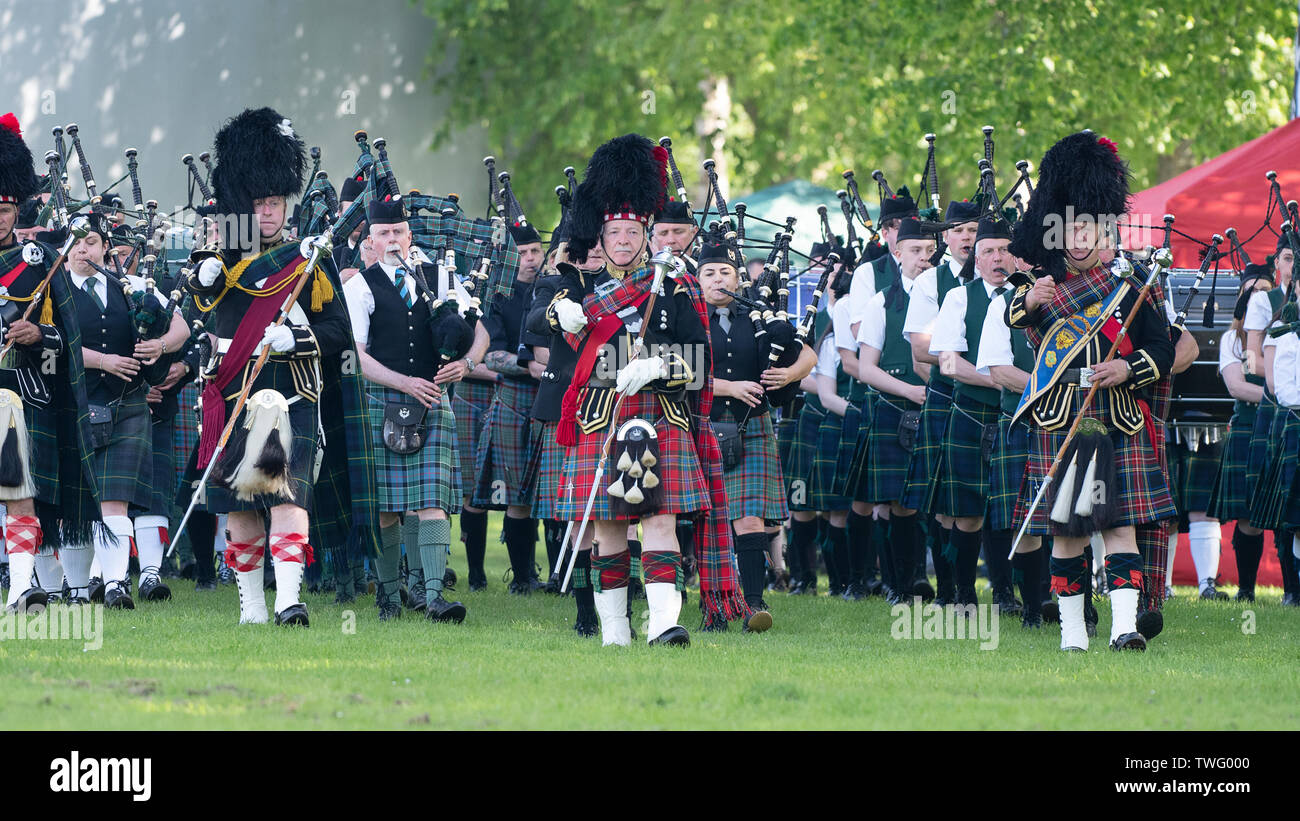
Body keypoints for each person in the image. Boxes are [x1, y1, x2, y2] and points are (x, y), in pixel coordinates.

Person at [185, 107, 379, 626]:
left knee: (290, 495)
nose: (268, 212)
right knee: (243, 505)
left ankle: (290, 600)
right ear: (242, 206)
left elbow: (340, 334)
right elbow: (197, 312)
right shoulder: (220, 262)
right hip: (235, 391)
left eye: (274, 202)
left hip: (294, 390)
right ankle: (251, 607)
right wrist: (206, 271)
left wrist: (296, 336)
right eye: (259, 203)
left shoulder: (310, 258)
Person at [551, 133, 746, 645]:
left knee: (660, 522)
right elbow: (538, 322)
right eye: (613, 232)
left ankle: (664, 624)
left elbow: (701, 361)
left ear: (645, 234)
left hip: (659, 411)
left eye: (631, 231)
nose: (621, 240)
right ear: (602, 236)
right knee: (611, 531)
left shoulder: (674, 287)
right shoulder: (582, 289)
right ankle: (616, 630)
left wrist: (659, 365)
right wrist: (559, 313)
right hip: (601, 412)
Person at [1007, 131, 1175, 652]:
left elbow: (1163, 352)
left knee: (1119, 523)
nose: (1079, 237)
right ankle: (1073, 634)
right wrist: (1032, 300)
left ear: (1105, 230)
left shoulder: (1134, 283)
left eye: (1089, 228)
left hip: (1117, 414)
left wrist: (1127, 370)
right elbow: (1018, 320)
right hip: (1062, 416)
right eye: (1070, 229)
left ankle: (1124, 629)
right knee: (1068, 530)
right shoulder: (1040, 284)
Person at [342, 191, 483, 623]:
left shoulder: (440, 278)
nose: (392, 240)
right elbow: (357, 356)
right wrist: (404, 382)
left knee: (431, 499)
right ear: (370, 238)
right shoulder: (360, 286)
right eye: (383, 233)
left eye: (399, 232)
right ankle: (388, 595)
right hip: (383, 399)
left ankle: (434, 595)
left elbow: (481, 330)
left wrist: (466, 363)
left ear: (409, 233)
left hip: (434, 402)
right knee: (386, 505)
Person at [0, 113, 100, 612]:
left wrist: (37, 333)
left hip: (21, 396)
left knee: (19, 491)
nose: (0, 216)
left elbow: (67, 337)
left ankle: (22, 588)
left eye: (6, 207)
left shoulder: (39, 262)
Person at [70, 212, 191, 609]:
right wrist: (103, 361)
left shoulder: (132, 286)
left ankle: (116, 583)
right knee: (81, 499)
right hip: (75, 403)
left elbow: (182, 328)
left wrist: (161, 347)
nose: (83, 249)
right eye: (76, 242)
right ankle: (79, 584)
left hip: (128, 404)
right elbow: (52, 344)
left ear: (105, 247)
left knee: (115, 499)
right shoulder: (56, 289)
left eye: (91, 241)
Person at [699, 235, 815, 630]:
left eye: (725, 273)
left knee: (749, 520)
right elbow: (679, 373)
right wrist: (729, 387)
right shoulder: (689, 317)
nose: (718, 280)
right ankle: (714, 607)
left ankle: (752, 604)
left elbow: (808, 351)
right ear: (697, 279)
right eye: (709, 273)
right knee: (711, 521)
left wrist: (791, 373)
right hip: (703, 427)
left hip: (753, 427)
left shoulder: (761, 314)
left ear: (737, 278)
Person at [929, 216, 1019, 612]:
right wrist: (1003, 381)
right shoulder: (960, 297)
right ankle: (963, 594)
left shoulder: (1032, 297)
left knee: (1011, 510)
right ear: (976, 260)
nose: (998, 258)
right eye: (988, 251)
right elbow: (948, 362)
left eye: (1004, 249)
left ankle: (1006, 594)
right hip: (970, 415)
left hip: (1020, 417)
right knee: (966, 514)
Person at [902, 199, 980, 605]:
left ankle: (996, 591)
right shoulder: (930, 283)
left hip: (988, 395)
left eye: (973, 229)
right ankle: (949, 589)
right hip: (945, 397)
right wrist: (981, 360)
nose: (967, 236)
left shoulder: (1001, 278)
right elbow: (919, 347)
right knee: (943, 502)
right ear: (944, 237)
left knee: (980, 499)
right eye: (959, 230)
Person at [856, 218, 933, 605]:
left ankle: (930, 581)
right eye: (915, 251)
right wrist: (911, 391)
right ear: (897, 253)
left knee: (936, 500)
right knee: (898, 502)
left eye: (929, 251)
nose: (923, 258)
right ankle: (902, 583)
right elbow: (867, 368)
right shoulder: (880, 302)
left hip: (942, 407)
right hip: (895, 407)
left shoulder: (951, 296)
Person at [474, 220, 544, 593]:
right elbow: (492, 355)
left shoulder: (554, 291)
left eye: (535, 251)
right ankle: (522, 578)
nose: (530, 259)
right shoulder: (496, 297)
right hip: (515, 399)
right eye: (522, 253)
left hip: (554, 400)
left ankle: (560, 577)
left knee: (554, 494)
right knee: (517, 495)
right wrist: (530, 365)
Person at [1206, 264, 1272, 600]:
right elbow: (1236, 386)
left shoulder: (1287, 333)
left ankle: (1294, 593)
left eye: (1266, 289)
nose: (1260, 296)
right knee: (1251, 517)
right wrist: (1283, 397)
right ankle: (1246, 591)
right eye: (1253, 290)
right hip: (1249, 427)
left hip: (1285, 424)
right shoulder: (1233, 338)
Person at [1242, 237, 1300, 605]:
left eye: (1297, 258)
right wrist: (1281, 371)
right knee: (1284, 499)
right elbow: (1251, 358)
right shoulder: (1266, 301)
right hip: (1278, 403)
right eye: (1288, 258)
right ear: (1276, 262)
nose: (1292, 264)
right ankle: (1290, 587)